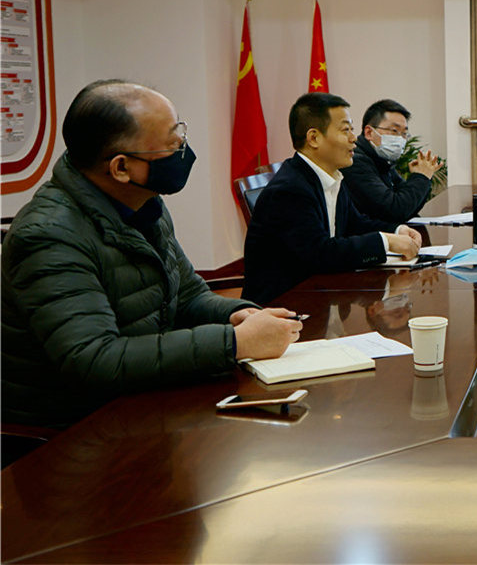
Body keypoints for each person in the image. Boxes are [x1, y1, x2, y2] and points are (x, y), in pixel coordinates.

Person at [1, 80, 301, 428]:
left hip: (140, 399)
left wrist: (238, 315)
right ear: (121, 168)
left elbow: (187, 295)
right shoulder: (48, 235)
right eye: (173, 144)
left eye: (181, 134)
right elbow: (95, 360)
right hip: (70, 428)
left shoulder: (144, 204)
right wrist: (232, 343)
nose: (183, 150)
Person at [244, 93, 422, 304]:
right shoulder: (289, 189)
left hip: (323, 295)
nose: (354, 138)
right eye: (346, 130)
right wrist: (386, 241)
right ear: (314, 138)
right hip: (284, 306)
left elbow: (355, 224)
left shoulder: (331, 177)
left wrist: (397, 230)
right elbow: (320, 253)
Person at [342, 99, 440, 224]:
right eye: (394, 131)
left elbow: (409, 208)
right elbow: (394, 211)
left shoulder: (382, 160)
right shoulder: (355, 162)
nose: (400, 139)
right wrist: (421, 177)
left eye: (404, 133)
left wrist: (423, 176)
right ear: (369, 132)